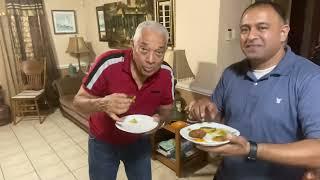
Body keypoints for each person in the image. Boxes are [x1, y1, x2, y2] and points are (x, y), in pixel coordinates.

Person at [187, 2, 320, 180]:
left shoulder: (309, 77)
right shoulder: (231, 73)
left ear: (283, 32)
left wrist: (251, 149)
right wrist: (205, 109)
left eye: (262, 27)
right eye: (245, 29)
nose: (251, 36)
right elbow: (216, 119)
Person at [73, 21, 174, 180]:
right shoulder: (108, 62)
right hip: (103, 141)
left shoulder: (166, 73)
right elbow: (77, 102)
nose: (151, 59)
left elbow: (166, 110)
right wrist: (102, 103)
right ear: (132, 45)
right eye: (143, 49)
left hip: (139, 142)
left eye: (159, 52)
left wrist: (159, 121)